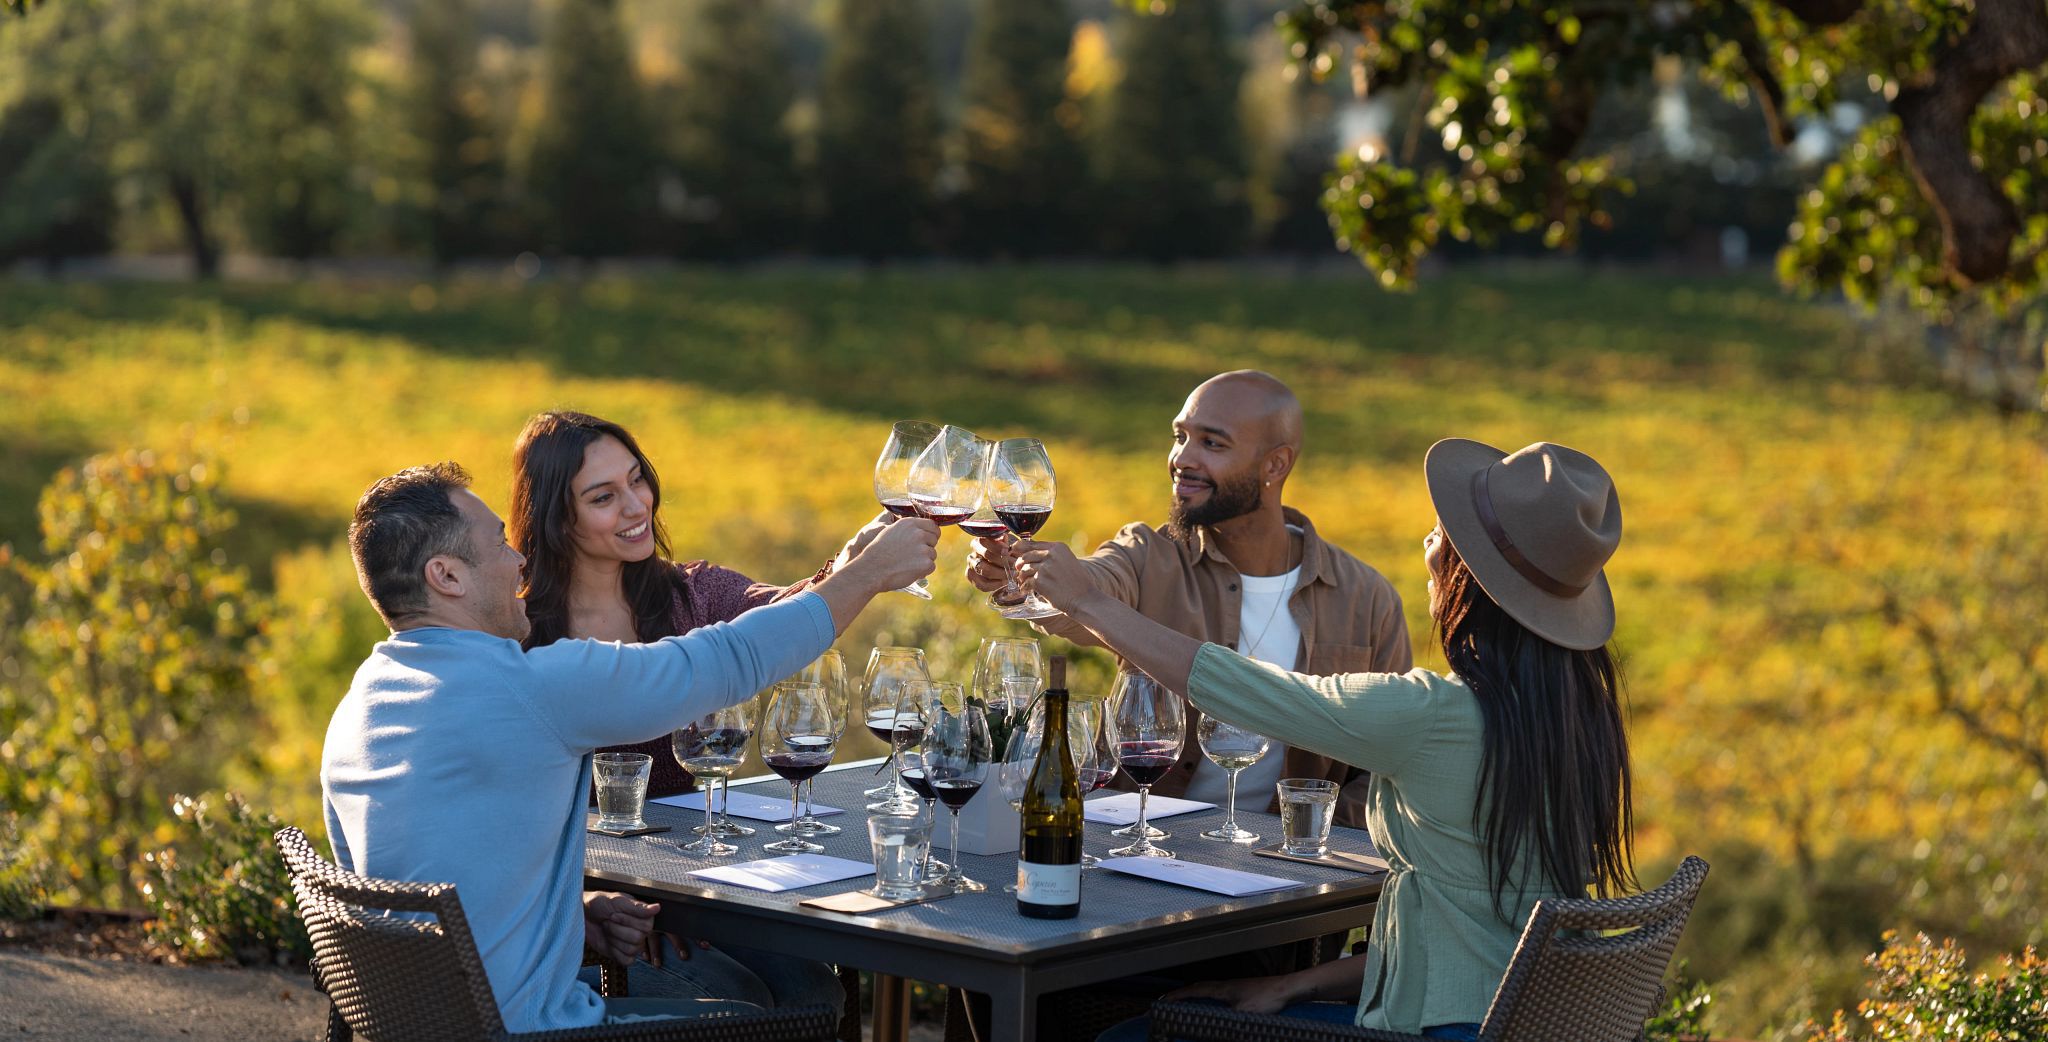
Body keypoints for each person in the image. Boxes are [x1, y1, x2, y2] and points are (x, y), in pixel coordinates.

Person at [1016, 439, 1636, 1042]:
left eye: (1445, 535)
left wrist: (1088, 599)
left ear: (1468, 580)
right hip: (1510, 1019)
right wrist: (1296, 986)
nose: (1427, 543)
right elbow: (1471, 932)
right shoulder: (1579, 722)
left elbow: (1238, 688)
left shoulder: (1430, 715)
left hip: (1433, 1028)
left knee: (1129, 1035)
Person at [322, 461, 937, 1032]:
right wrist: (868, 575)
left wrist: (570, 916)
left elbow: (419, 886)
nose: (518, 562)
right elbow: (729, 660)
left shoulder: (360, 708)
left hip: (430, 1023)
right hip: (537, 1029)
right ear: (446, 576)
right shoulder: (530, 687)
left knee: (795, 993)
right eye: (499, 544)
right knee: (783, 1015)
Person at [508, 409, 864, 1011]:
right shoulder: (524, 639)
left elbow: (789, 615)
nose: (635, 505)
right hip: (597, 911)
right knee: (739, 1000)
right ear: (554, 519)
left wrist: (859, 561)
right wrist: (600, 898)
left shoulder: (690, 595)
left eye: (637, 479)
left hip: (711, 886)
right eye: (603, 497)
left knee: (816, 995)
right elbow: (507, 816)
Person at [965, 370, 1412, 832]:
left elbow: (1393, 759)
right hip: (1144, 845)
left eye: (1212, 444)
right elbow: (1092, 588)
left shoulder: (1367, 598)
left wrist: (1313, 840)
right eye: (1180, 437)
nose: (1182, 458)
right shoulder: (1147, 554)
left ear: (1275, 465)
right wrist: (1023, 578)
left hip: (1293, 863)